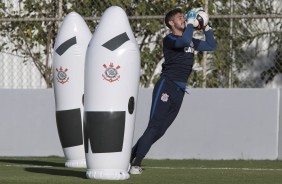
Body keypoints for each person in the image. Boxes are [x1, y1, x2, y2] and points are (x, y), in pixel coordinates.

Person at [129, 7, 216, 174]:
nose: (184, 19)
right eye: (180, 17)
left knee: (161, 130)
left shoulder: (189, 39)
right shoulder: (169, 39)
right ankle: (136, 164)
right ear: (171, 22)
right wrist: (191, 24)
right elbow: (182, 42)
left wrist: (205, 27)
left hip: (180, 90)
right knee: (154, 126)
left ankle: (128, 157)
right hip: (166, 85)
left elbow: (211, 45)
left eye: (185, 17)